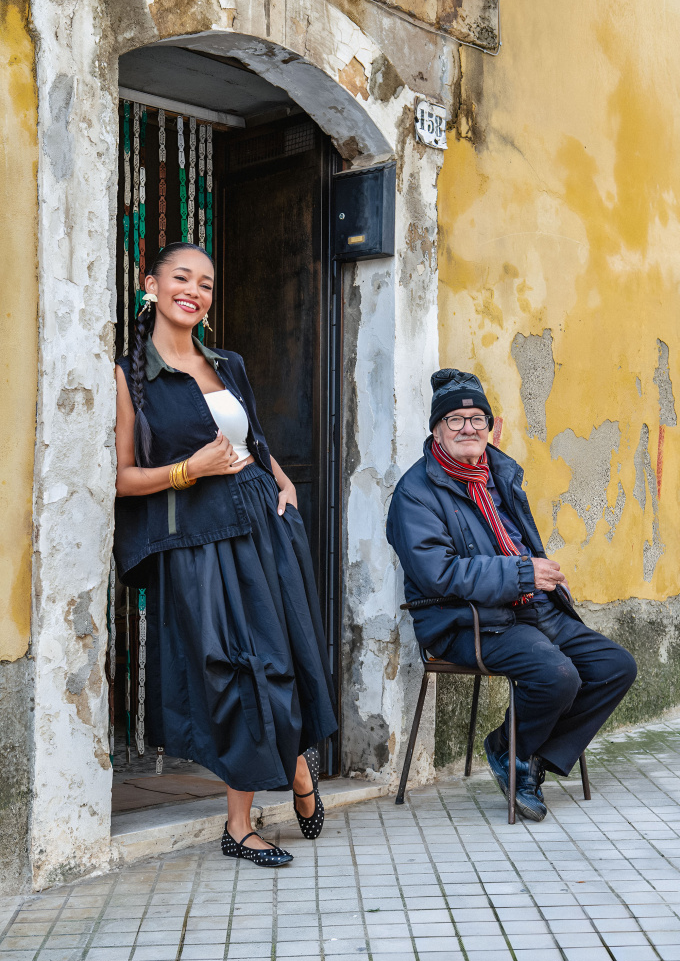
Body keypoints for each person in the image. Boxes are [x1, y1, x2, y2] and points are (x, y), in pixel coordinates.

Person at [114, 242, 337, 866]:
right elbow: (122, 478)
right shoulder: (131, 375)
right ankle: (243, 822)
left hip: (262, 529)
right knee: (234, 668)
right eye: (181, 277)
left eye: (206, 283)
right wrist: (190, 469)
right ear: (150, 285)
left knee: (282, 656)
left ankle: (288, 771)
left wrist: (284, 480)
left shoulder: (229, 363)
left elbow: (252, 439)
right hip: (198, 545)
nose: (194, 290)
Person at [386, 369, 637, 821]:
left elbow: (516, 541)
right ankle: (508, 749)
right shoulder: (415, 493)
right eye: (456, 419)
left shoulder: (497, 472)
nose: (468, 427)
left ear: (489, 424)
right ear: (437, 429)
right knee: (558, 676)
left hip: (530, 608)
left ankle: (529, 757)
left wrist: (543, 577)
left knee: (615, 667)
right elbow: (438, 574)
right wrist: (523, 574)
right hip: (467, 620)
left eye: (477, 418)